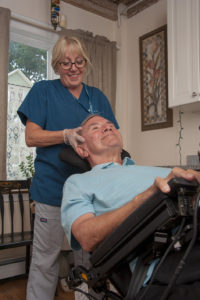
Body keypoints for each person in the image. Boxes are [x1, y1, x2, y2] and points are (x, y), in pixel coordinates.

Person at [17, 36, 118, 300]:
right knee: (44, 261)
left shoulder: (96, 97)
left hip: (89, 195)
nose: (73, 68)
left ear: (86, 62)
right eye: (66, 62)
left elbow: (112, 136)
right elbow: (31, 137)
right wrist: (64, 135)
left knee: (88, 262)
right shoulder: (43, 91)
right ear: (56, 65)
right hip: (51, 191)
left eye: (78, 61)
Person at [61, 114, 200, 299]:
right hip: (168, 259)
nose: (107, 128)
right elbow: (86, 236)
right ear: (82, 149)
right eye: (95, 128)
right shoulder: (78, 182)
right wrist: (147, 197)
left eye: (110, 125)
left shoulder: (153, 170)